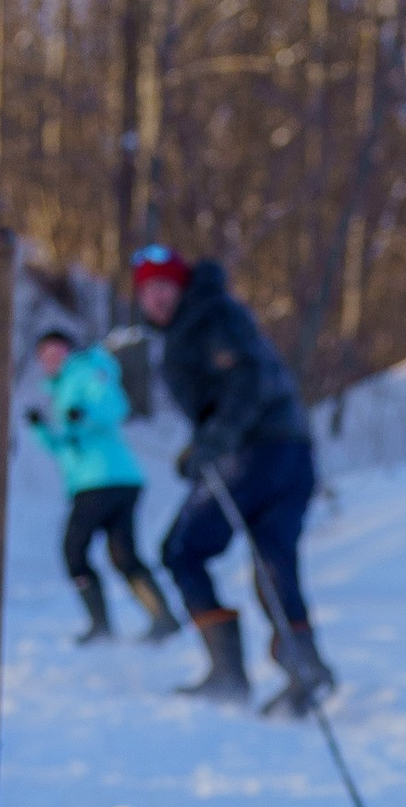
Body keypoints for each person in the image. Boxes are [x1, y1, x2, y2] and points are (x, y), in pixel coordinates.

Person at [128, 242, 331, 706]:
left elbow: (246, 379)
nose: (156, 299)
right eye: (147, 291)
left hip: (255, 451)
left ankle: (228, 673)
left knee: (183, 549)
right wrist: (203, 444)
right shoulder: (209, 316)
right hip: (291, 448)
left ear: (182, 286)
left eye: (164, 286)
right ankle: (306, 667)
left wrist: (213, 442)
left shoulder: (208, 317)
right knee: (272, 556)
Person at [25, 324, 182, 645]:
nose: (50, 359)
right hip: (109, 480)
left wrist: (84, 412)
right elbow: (67, 443)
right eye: (44, 355)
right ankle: (162, 617)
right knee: (123, 555)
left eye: (56, 351)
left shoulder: (85, 372)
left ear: (68, 351)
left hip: (102, 480)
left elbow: (114, 406)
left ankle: (101, 626)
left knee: (74, 551)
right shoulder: (61, 388)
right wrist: (43, 430)